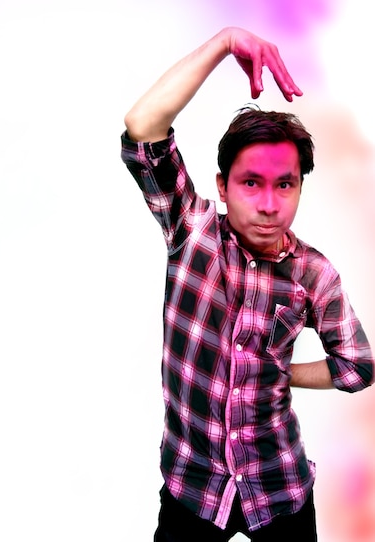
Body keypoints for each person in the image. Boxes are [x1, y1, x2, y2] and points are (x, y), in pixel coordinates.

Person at [120, 27, 374, 541]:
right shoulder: (192, 232)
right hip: (194, 488)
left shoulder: (313, 274)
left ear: (300, 185)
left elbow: (357, 365)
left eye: (285, 184)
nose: (267, 204)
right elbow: (141, 128)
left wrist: (281, 370)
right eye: (250, 183)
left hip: (279, 489)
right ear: (222, 186)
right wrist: (222, 44)